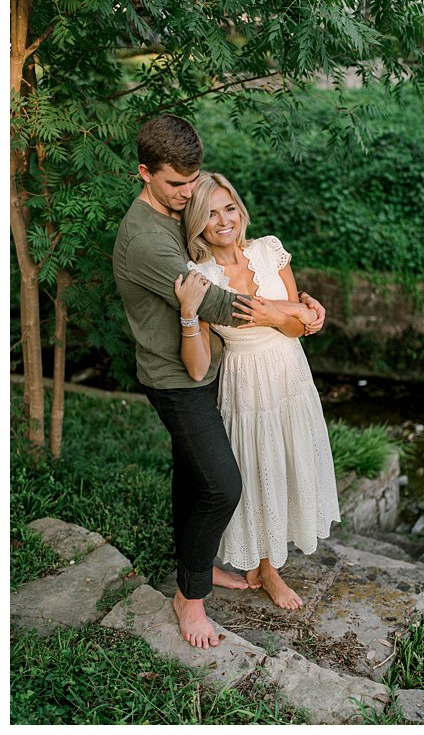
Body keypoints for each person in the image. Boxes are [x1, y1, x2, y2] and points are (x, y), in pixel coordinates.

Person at [113, 115, 325, 648]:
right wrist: (292, 312)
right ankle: (190, 600)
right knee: (223, 485)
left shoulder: (176, 212)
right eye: (176, 185)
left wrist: (299, 311)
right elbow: (215, 304)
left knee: (191, 478)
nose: (187, 195)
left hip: (216, 371)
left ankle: (199, 570)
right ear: (145, 174)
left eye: (194, 182)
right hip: (178, 378)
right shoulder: (145, 241)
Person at [174, 171, 340, 610]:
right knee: (258, 470)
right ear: (197, 222)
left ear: (239, 210)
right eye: (209, 213)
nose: (222, 220)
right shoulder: (201, 275)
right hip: (246, 382)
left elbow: (299, 327)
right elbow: (197, 367)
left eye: (228, 208)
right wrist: (189, 314)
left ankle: (268, 562)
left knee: (286, 463)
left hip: (289, 374)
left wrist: (276, 314)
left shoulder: (269, 250)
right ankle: (266, 569)